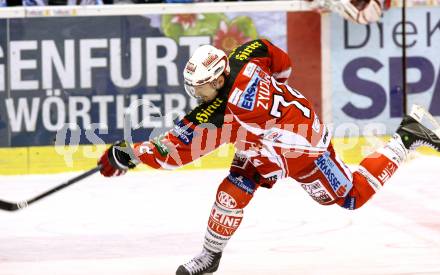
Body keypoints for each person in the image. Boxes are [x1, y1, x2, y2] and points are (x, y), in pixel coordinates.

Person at [98, 39, 440, 275]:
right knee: (231, 192)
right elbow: (280, 60)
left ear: (218, 79)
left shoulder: (223, 114)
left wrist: (128, 153)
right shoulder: (244, 54)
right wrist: (278, 92)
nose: (195, 94)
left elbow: (175, 151)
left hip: (303, 150)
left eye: (200, 88)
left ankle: (408, 135)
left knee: (350, 196)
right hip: (269, 142)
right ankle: (210, 255)